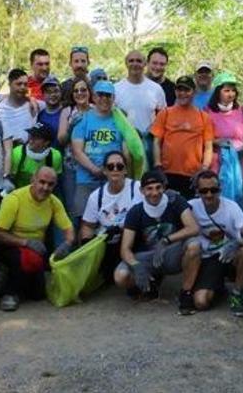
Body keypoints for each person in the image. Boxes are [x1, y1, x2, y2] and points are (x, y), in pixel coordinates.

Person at [114, 170, 201, 315]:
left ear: (164, 187)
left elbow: (193, 227)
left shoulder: (176, 202)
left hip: (171, 253)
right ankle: (148, 286)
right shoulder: (135, 212)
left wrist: (166, 240)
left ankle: (186, 293)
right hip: (146, 257)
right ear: (142, 190)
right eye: (149, 188)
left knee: (194, 245)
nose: (154, 193)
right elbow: (125, 249)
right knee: (120, 276)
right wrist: (136, 266)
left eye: (158, 187)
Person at [0, 166, 74, 311]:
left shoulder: (54, 202)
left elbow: (68, 227)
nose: (45, 187)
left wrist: (67, 243)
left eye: (50, 184)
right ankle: (8, 291)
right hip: (9, 246)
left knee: (38, 295)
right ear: (32, 180)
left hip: (36, 250)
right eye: (42, 182)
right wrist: (25, 242)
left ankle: (20, 280)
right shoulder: (15, 199)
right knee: (27, 259)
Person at [187, 170, 243, 315]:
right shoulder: (190, 206)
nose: (209, 194)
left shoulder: (231, 207)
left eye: (213, 190)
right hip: (207, 259)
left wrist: (236, 243)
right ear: (197, 191)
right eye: (204, 191)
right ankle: (217, 288)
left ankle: (237, 294)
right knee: (201, 302)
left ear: (220, 190)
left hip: (230, 255)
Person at [80, 152, 143, 284]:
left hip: (133, 239)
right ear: (104, 170)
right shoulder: (95, 197)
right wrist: (88, 246)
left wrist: (121, 228)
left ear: (125, 170)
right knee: (108, 277)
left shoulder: (137, 188)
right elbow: (87, 226)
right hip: (108, 243)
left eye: (119, 166)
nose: (115, 169)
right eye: (110, 166)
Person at [70, 81, 127, 224]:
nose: (104, 99)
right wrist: (94, 170)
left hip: (113, 179)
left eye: (108, 95)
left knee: (112, 221)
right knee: (84, 221)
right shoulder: (83, 119)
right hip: (86, 180)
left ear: (113, 98)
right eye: (100, 95)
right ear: (94, 97)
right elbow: (77, 151)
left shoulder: (121, 120)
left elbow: (126, 150)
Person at [150, 76, 213, 199]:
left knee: (190, 211)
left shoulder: (203, 116)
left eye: (187, 90)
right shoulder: (165, 113)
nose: (182, 93)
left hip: (193, 175)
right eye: (179, 89)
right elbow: (156, 142)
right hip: (168, 174)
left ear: (193, 92)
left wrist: (204, 169)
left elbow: (208, 147)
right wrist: (158, 165)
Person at [207, 73, 243, 210]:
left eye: (233, 90)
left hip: (239, 163)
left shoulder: (241, 111)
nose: (230, 94)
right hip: (219, 165)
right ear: (218, 92)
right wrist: (218, 142)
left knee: (239, 201)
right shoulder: (208, 112)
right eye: (226, 90)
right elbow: (205, 139)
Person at [114, 50, 166, 162]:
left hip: (148, 142)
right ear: (126, 63)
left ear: (145, 64)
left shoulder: (156, 89)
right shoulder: (116, 89)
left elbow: (163, 117)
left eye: (139, 61)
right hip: (123, 143)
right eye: (131, 61)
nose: (135, 64)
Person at [58, 77, 92, 215]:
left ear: (89, 92)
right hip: (72, 167)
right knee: (73, 209)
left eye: (83, 90)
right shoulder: (68, 111)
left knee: (92, 207)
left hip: (93, 166)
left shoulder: (96, 110)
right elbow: (61, 140)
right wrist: (71, 126)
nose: (80, 93)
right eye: (76, 91)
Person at [0, 69, 43, 144]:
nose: (22, 87)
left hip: (25, 153)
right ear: (10, 84)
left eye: (25, 84)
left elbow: (54, 106)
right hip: (5, 152)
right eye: (19, 84)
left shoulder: (34, 105)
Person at [9, 123, 62, 189]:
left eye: (36, 138)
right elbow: (10, 179)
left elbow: (54, 181)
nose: (31, 140)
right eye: (31, 135)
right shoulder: (16, 153)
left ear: (46, 142)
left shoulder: (56, 156)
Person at [37, 75, 63, 147]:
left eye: (56, 91)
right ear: (43, 95)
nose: (52, 94)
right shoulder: (40, 115)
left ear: (61, 92)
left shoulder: (67, 113)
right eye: (48, 92)